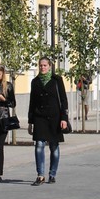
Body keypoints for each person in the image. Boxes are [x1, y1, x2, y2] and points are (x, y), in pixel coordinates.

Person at [28, 57, 69, 186]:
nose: (42, 68)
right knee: (39, 146)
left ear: (50, 66)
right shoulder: (35, 82)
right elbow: (32, 102)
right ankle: (40, 175)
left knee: (54, 146)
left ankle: (52, 174)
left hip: (54, 118)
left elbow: (63, 100)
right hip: (39, 117)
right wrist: (30, 121)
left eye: (45, 65)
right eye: (40, 65)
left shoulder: (56, 80)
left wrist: (64, 118)